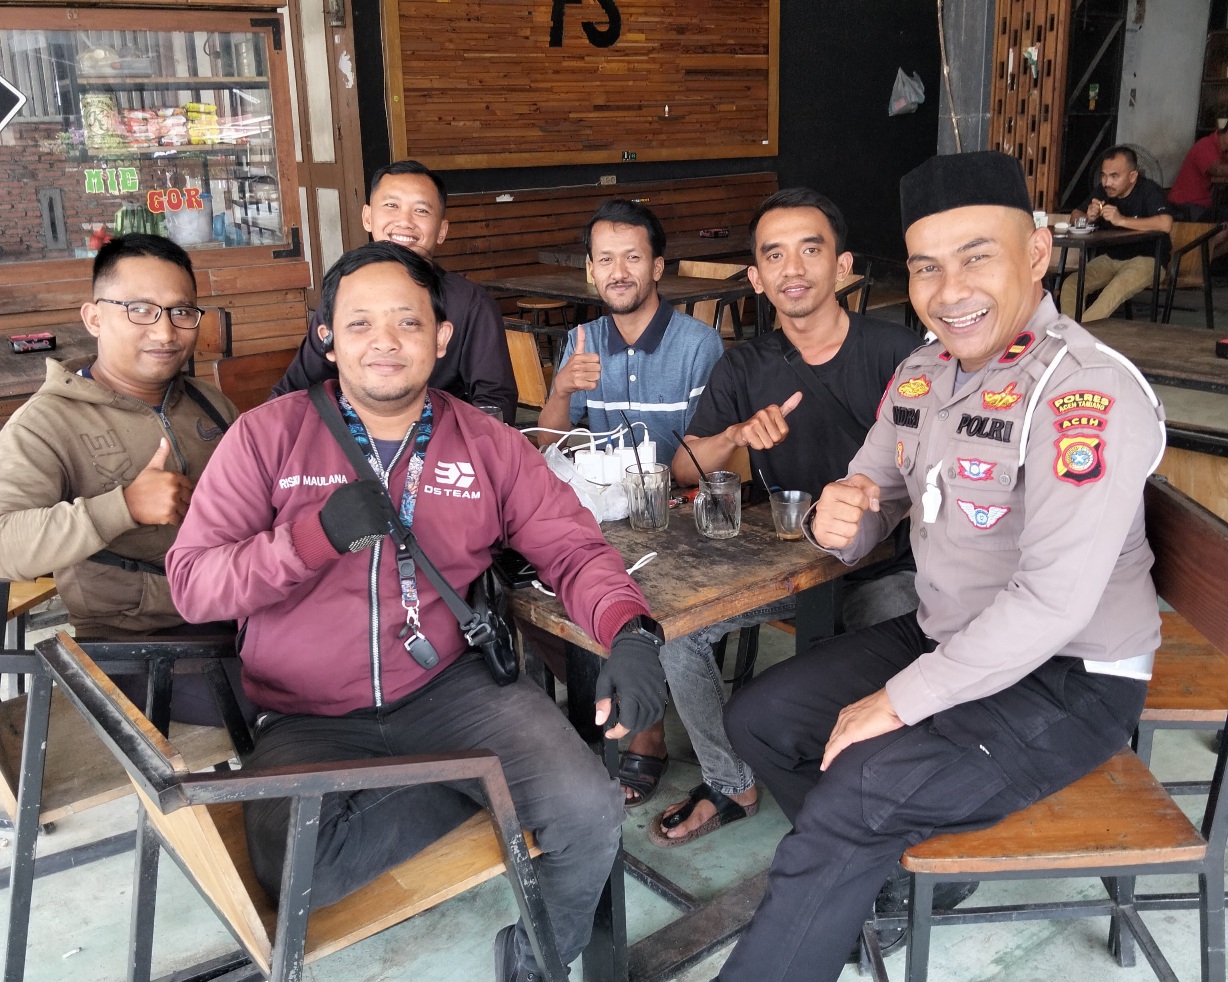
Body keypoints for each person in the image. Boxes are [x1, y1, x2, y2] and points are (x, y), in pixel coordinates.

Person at [715, 150, 1166, 982]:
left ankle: (854, 858)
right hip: (949, 632)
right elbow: (871, 494)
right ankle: (879, 876)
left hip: (1070, 675)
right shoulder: (923, 372)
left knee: (859, 791)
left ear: (1037, 252)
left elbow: (1053, 603)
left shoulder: (1085, 393)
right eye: (926, 266)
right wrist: (837, 520)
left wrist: (898, 701)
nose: (949, 289)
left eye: (976, 257)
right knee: (761, 719)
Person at [166, 242, 669, 982]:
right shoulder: (266, 436)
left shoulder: (488, 444)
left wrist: (630, 630)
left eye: (407, 322)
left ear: (441, 337)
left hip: (452, 691)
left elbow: (571, 547)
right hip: (307, 713)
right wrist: (310, 539)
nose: (385, 341)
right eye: (360, 323)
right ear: (327, 338)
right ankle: (477, 786)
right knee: (301, 869)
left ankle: (534, 960)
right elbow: (193, 584)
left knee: (588, 809)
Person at [629, 188, 920, 846]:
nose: (793, 268)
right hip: (787, 566)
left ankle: (870, 807)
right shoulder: (745, 364)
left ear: (843, 266)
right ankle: (730, 782)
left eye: (810, 250)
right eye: (774, 255)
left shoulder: (897, 354)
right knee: (677, 632)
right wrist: (735, 434)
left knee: (906, 654)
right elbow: (686, 468)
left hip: (888, 566)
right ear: (756, 277)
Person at [0, 234, 244, 725]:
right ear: (94, 318)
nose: (165, 332)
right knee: (292, 700)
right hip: (136, 645)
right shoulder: (45, 424)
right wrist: (124, 506)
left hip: (235, 610)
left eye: (181, 312)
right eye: (140, 310)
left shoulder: (207, 401)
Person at [272, 159, 517, 424]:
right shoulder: (344, 293)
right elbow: (292, 391)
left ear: (441, 230)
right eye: (391, 205)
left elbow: (494, 403)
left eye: (421, 210)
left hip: (439, 439)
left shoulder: (469, 304)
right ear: (368, 217)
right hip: (347, 440)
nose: (404, 221)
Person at [536, 198, 725, 463]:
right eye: (605, 259)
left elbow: (707, 453)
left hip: (677, 487)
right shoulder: (584, 341)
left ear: (657, 267)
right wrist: (561, 392)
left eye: (632, 257)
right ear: (592, 270)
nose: (618, 274)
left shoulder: (698, 345)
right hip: (606, 487)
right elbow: (548, 443)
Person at [1062, 145, 1173, 322]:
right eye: (1104, 175)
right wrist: (1088, 217)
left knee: (1113, 290)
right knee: (1071, 284)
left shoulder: (1149, 190)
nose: (1107, 182)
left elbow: (1165, 223)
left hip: (1148, 259)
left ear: (1132, 176)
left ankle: (1078, 333)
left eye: (1114, 176)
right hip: (1111, 257)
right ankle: (1070, 330)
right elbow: (1075, 215)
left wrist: (1121, 220)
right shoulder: (1103, 191)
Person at [1168, 124, 1228, 221]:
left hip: (1205, 206)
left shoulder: (1224, 151)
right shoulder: (1205, 145)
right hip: (1186, 206)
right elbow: (1218, 170)